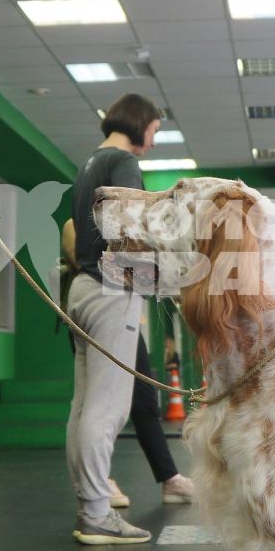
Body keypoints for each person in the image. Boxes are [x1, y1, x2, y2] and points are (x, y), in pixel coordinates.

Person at [64, 92, 171, 545]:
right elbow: (130, 235)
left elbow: (75, 234)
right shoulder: (124, 163)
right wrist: (158, 279)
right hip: (110, 290)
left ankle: (90, 504)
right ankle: (96, 514)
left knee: (85, 407)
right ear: (141, 123)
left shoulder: (91, 163)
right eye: (155, 129)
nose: (153, 138)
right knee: (108, 409)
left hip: (81, 290)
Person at [58, 219, 194, 510]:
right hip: (96, 314)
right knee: (96, 405)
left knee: (144, 401)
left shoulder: (117, 229)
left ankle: (170, 478)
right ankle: (96, 482)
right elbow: (84, 262)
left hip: (121, 311)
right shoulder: (76, 223)